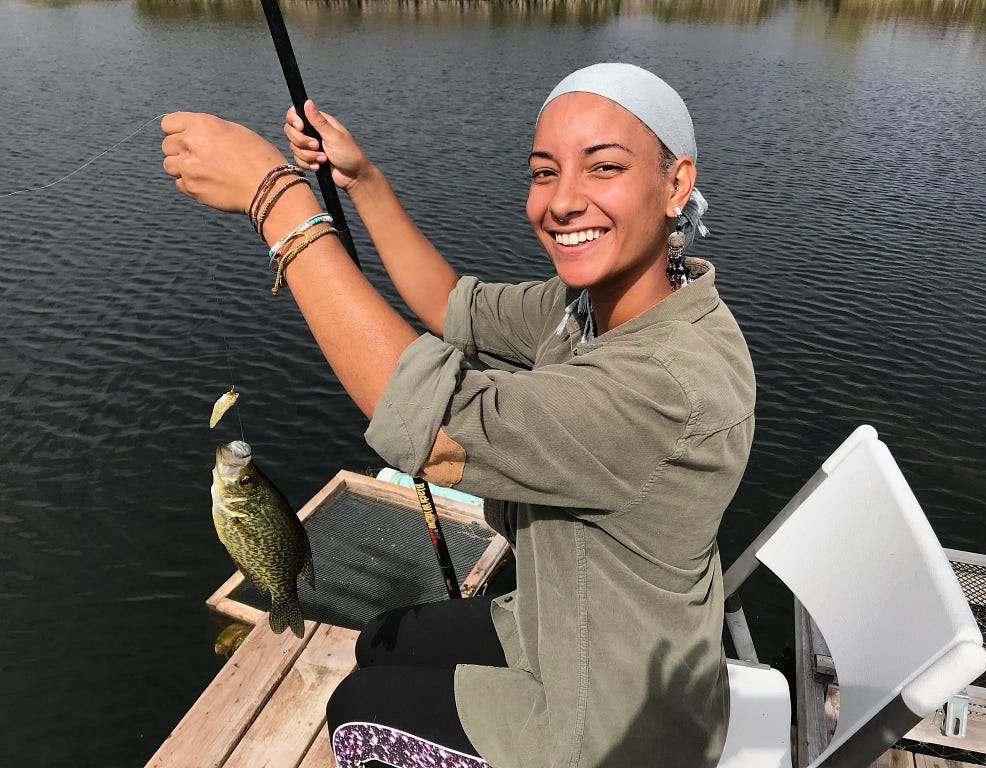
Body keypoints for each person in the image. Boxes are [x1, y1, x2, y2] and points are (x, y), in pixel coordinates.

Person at [161, 62, 755, 768]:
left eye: (604, 168)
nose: (563, 201)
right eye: (543, 172)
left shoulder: (670, 383)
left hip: (613, 726)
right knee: (380, 639)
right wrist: (364, 182)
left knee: (354, 718)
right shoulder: (596, 307)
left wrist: (278, 202)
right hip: (556, 624)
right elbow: (449, 305)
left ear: (676, 184)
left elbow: (437, 432)